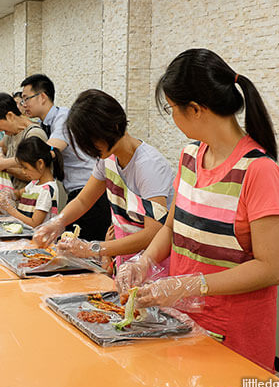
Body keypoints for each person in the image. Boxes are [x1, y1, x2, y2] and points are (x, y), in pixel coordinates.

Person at [116, 48, 279, 372]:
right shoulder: (190, 156)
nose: (174, 118)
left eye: (172, 110)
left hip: (234, 336)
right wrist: (145, 260)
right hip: (182, 322)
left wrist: (191, 285)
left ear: (195, 109)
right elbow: (171, 227)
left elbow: (271, 268)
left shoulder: (260, 171)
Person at [33, 89, 174, 273]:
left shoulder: (148, 165)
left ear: (113, 126)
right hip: (126, 259)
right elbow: (83, 201)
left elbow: (154, 232)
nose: (90, 150)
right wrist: (58, 222)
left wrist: (94, 248)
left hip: (154, 264)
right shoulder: (107, 158)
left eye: (91, 141)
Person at [20, 74, 111, 241]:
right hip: (78, 193)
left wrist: (5, 162)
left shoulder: (63, 118)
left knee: (85, 252)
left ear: (42, 97)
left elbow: (46, 153)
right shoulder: (45, 124)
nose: (24, 105)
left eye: (26, 99)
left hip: (91, 192)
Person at [0, 137, 63, 227]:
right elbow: (19, 194)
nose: (23, 172)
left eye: (25, 167)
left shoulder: (46, 190)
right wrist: (7, 194)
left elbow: (34, 223)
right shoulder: (34, 183)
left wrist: (9, 208)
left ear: (40, 163)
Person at [0, 92, 48, 191]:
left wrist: (3, 166)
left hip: (30, 201)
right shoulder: (10, 134)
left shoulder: (33, 134)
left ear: (10, 116)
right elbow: (0, 147)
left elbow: (33, 175)